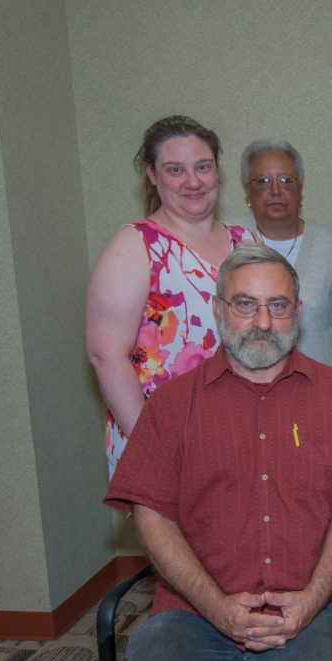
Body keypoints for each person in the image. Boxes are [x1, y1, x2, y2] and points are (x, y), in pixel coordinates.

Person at [102, 245, 332, 661]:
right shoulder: (170, 404)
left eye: (278, 306)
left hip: (311, 605)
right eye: (245, 304)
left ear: (299, 314)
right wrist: (215, 605)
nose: (262, 321)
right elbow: (152, 515)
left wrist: (310, 599)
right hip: (193, 609)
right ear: (217, 309)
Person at [85, 115, 255, 476]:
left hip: (243, 432)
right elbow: (105, 355)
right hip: (164, 441)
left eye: (203, 167)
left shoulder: (247, 241)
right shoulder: (136, 245)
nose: (193, 181)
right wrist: (157, 448)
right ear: (151, 174)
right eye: (175, 169)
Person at [235, 138, 332, 388]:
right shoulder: (228, 240)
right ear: (247, 191)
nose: (275, 191)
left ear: (301, 189)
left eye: (286, 180)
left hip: (316, 396)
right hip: (240, 396)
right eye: (263, 181)